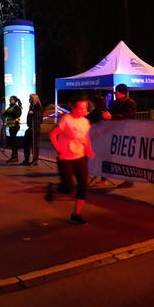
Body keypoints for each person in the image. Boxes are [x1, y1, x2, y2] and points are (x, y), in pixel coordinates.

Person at [46, 95, 95, 225]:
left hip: (81, 157)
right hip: (66, 158)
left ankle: (76, 214)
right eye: (80, 108)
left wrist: (89, 149)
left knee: (83, 186)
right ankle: (54, 188)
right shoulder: (66, 119)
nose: (84, 111)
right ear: (73, 108)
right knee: (67, 187)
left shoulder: (85, 121)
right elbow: (53, 134)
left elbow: (85, 137)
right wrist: (59, 150)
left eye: (85, 108)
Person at [107, 83, 136, 188]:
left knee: (127, 157)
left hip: (128, 133)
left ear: (121, 92)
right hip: (118, 132)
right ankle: (126, 178)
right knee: (121, 156)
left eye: (117, 91)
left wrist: (112, 117)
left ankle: (129, 179)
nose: (115, 93)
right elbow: (111, 111)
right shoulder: (117, 102)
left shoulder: (130, 103)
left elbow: (127, 116)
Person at [21, 94, 43, 165]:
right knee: (26, 143)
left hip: (35, 128)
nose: (29, 99)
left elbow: (40, 117)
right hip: (30, 127)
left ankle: (35, 159)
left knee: (35, 145)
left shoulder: (38, 107)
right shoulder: (31, 106)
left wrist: (34, 113)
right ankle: (26, 159)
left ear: (34, 99)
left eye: (30, 98)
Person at [2, 95, 22, 162]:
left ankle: (15, 157)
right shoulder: (10, 107)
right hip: (11, 126)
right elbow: (5, 115)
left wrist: (7, 112)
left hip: (15, 126)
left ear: (15, 100)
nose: (10, 100)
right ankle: (14, 156)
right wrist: (5, 113)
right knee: (12, 142)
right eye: (10, 99)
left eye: (12, 99)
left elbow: (15, 115)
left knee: (13, 142)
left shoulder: (16, 107)